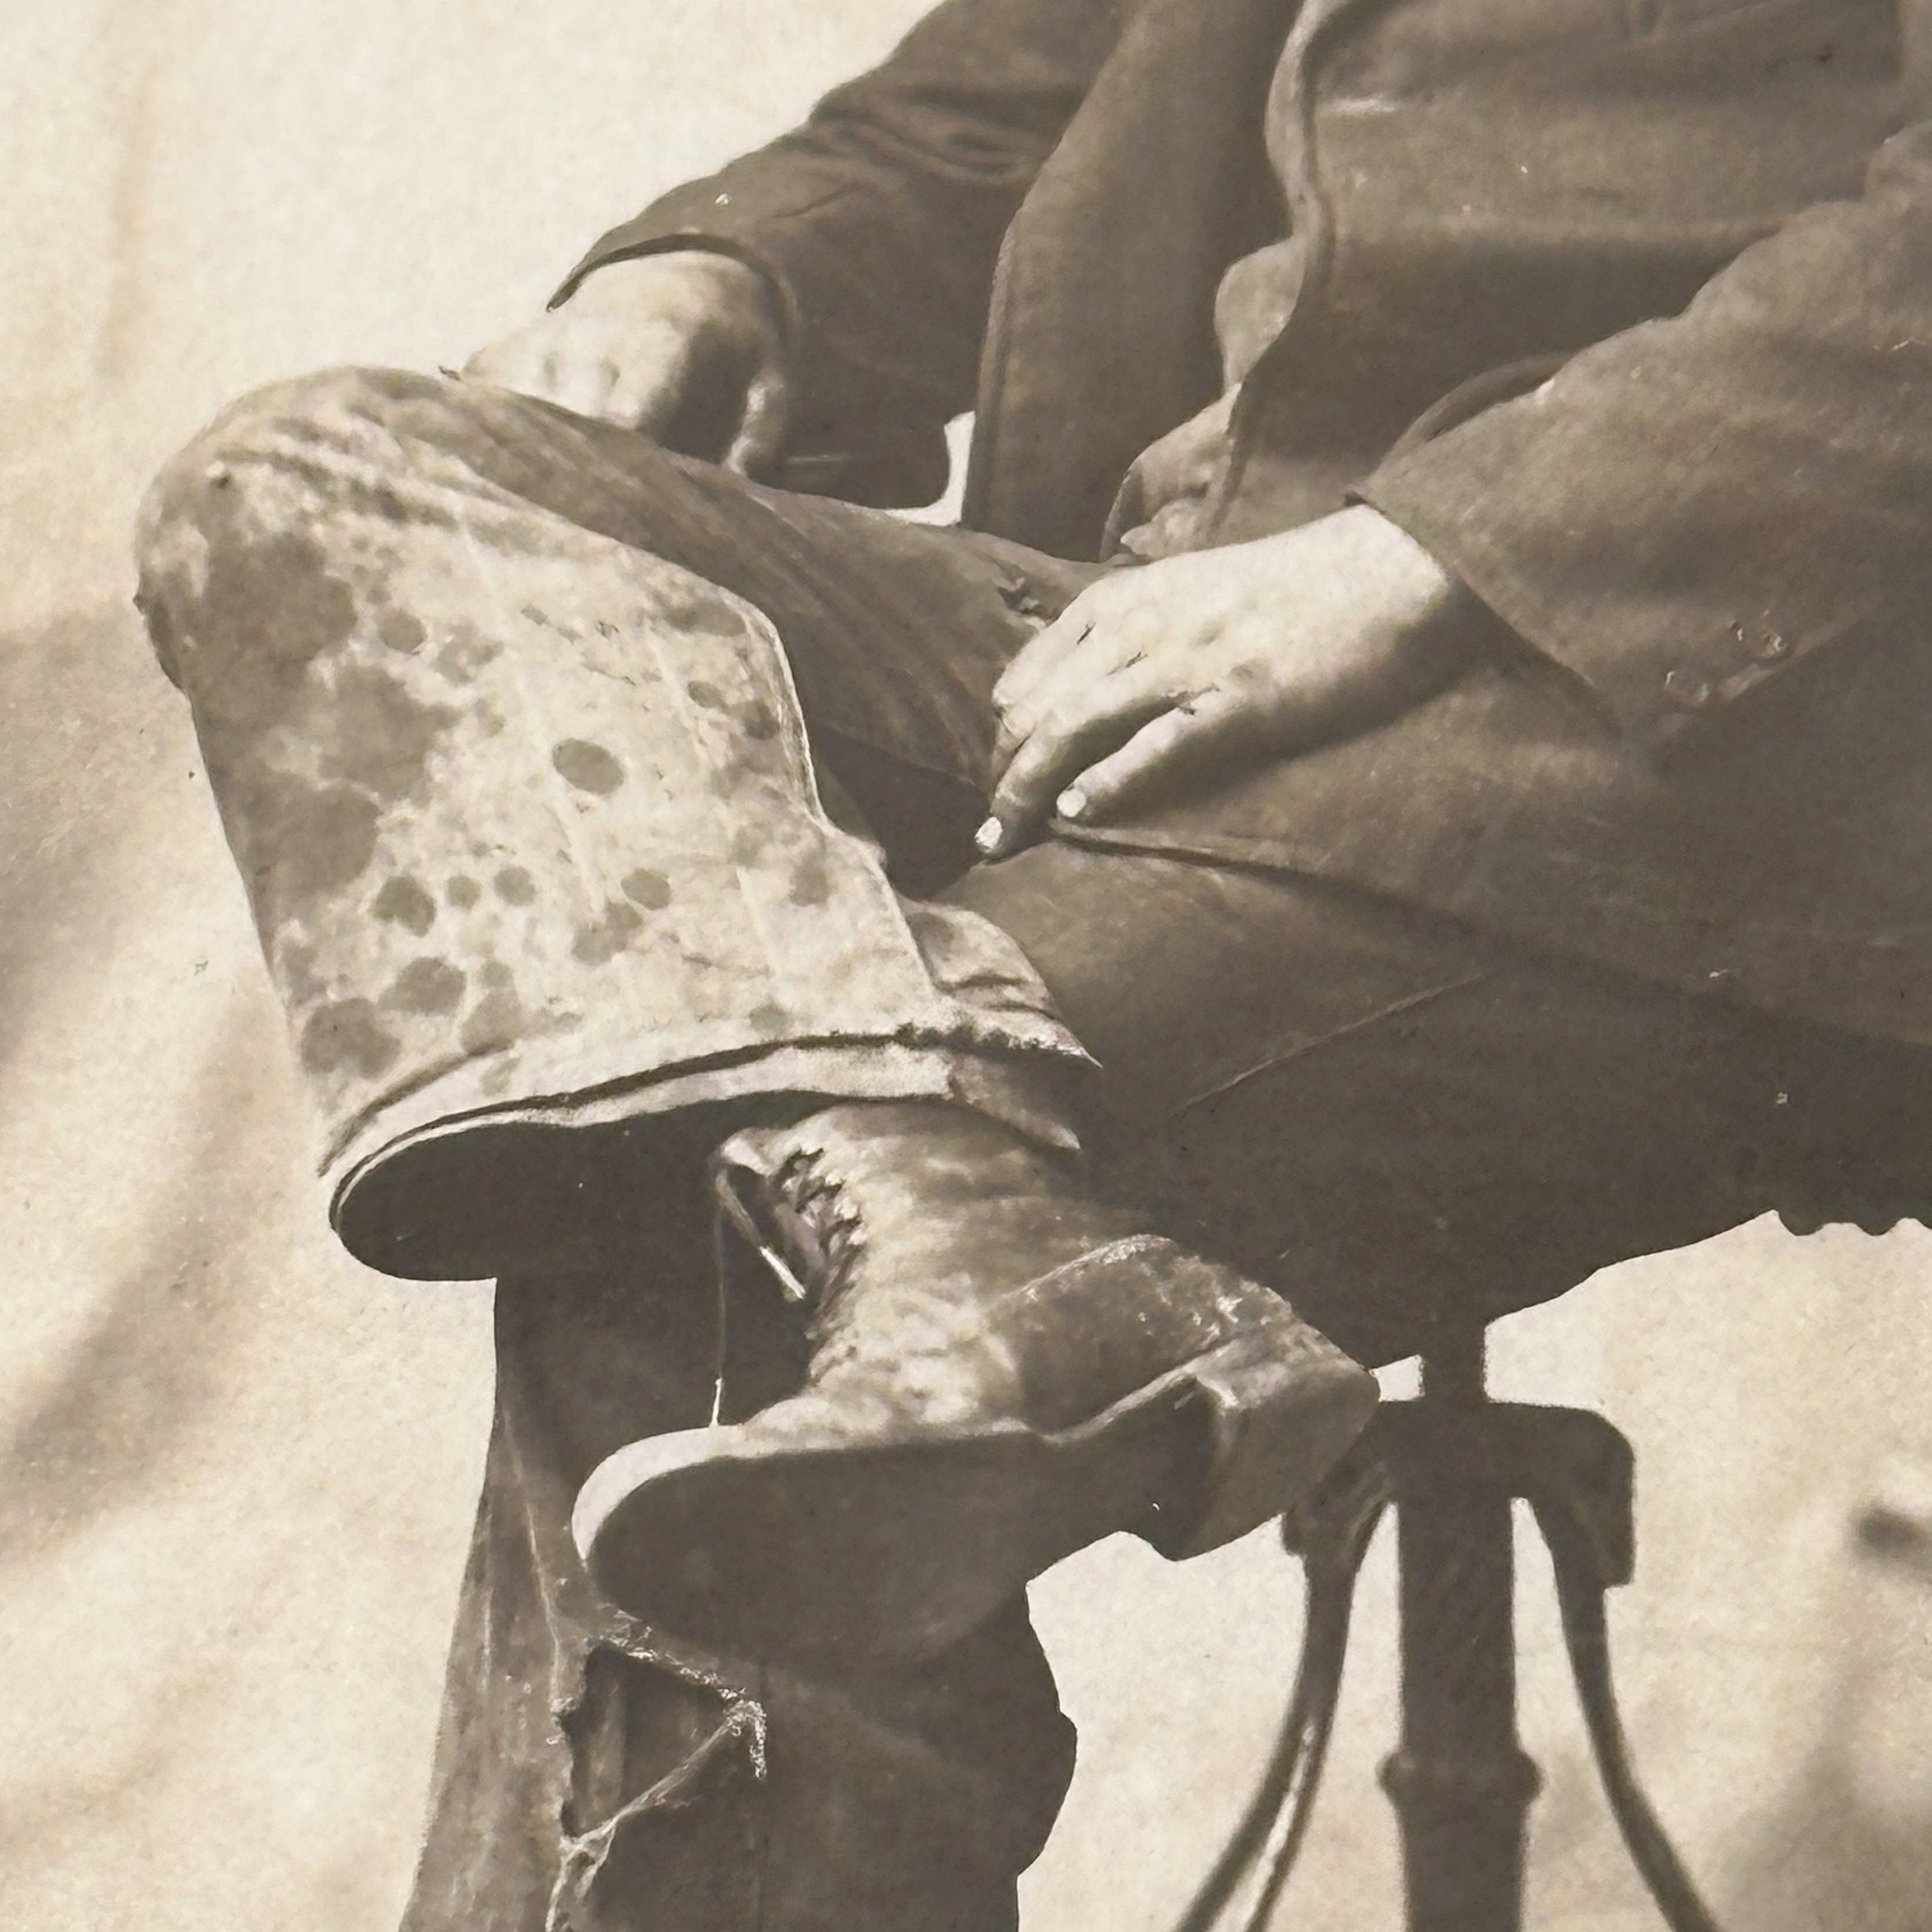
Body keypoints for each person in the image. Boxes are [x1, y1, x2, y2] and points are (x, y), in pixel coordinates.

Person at [134, 0, 1932, 1924]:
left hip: (1677, 753)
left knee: (712, 1243)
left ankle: (920, 1186)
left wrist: (1423, 559)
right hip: (1160, 638)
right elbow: (1024, 80)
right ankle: (934, 1178)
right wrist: (721, 271)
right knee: (313, 476)